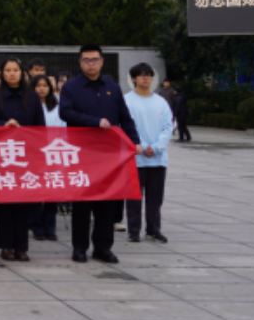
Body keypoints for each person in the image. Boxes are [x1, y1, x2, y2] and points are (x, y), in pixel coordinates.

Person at [60, 45, 142, 265]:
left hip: (108, 156)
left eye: (94, 59)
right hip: (82, 154)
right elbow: (65, 112)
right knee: (82, 204)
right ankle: (79, 248)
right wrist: (94, 122)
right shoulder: (71, 87)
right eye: (86, 60)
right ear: (80, 62)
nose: (91, 64)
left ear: (102, 61)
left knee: (107, 203)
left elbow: (125, 118)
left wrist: (134, 141)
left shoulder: (113, 88)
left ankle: (103, 247)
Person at [0, 59, 46, 262]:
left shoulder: (33, 97)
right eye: (8, 70)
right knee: (5, 204)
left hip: (26, 157)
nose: (12, 74)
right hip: (2, 157)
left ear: (22, 73)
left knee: (23, 203)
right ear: (2, 73)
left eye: (15, 70)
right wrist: (3, 125)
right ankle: (6, 246)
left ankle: (21, 247)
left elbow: (40, 127)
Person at [125, 63, 172, 245]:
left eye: (149, 75)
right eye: (142, 75)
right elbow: (126, 127)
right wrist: (142, 146)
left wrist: (157, 147)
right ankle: (134, 231)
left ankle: (153, 230)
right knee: (134, 197)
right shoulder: (127, 101)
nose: (146, 78)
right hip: (135, 157)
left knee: (155, 198)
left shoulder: (161, 102)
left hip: (158, 158)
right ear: (134, 79)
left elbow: (168, 126)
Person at [29, 75, 63, 243]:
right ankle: (36, 227)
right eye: (38, 85)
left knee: (52, 194)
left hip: (54, 154)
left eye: (45, 86)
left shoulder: (58, 106)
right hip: (34, 155)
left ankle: (50, 228)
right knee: (36, 193)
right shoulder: (28, 106)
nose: (42, 89)